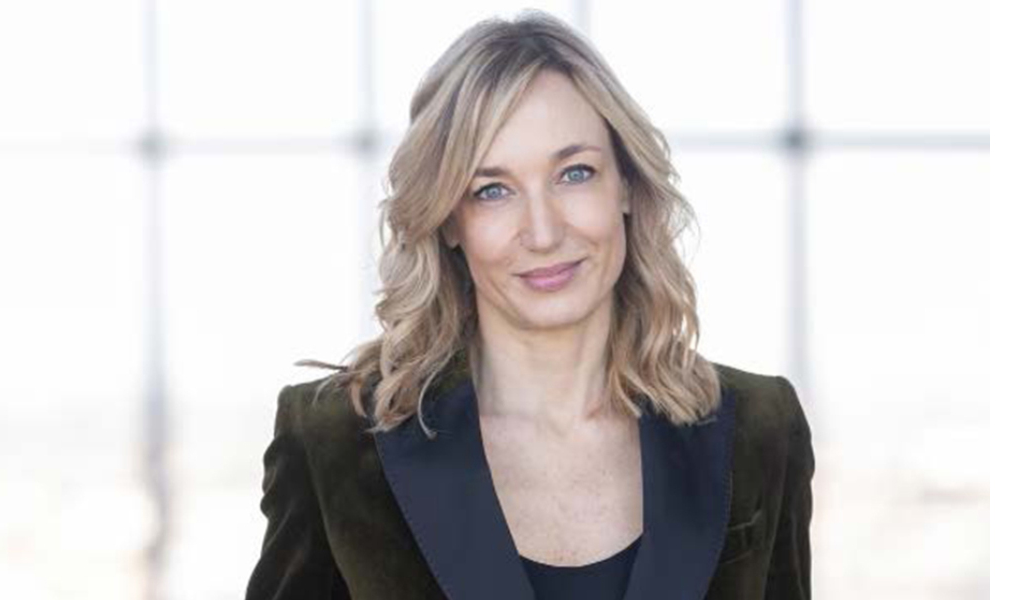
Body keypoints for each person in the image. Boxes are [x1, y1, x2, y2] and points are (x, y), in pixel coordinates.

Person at [245, 10, 814, 600]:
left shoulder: (759, 430)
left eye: (575, 173)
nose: (542, 232)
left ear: (625, 184)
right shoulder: (335, 442)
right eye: (492, 190)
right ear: (448, 220)